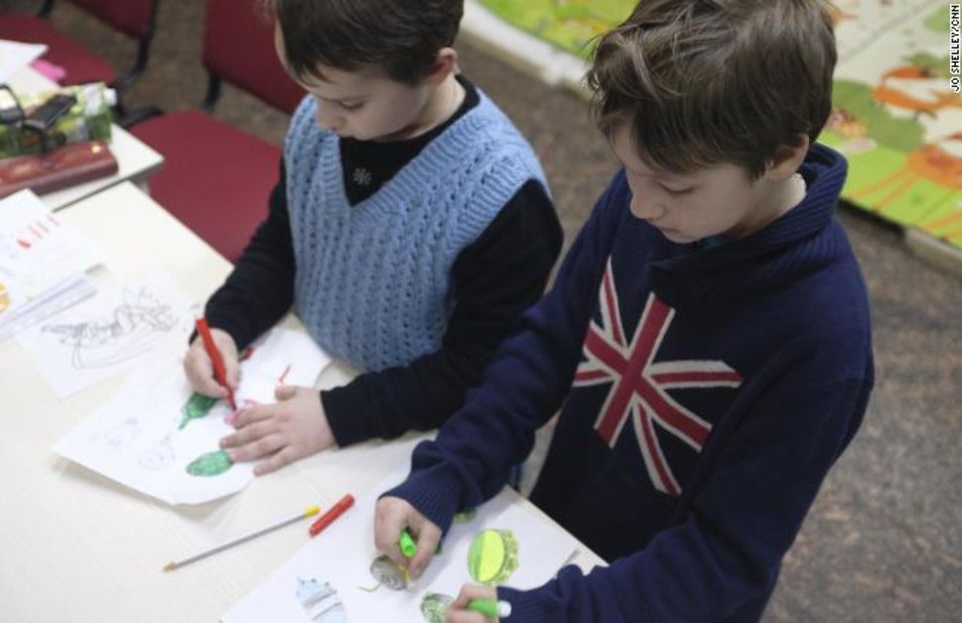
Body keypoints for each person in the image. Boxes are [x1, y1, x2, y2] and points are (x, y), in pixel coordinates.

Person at [374, 1, 874, 620]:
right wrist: (451, 470)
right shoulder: (657, 183)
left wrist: (559, 613)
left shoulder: (824, 340)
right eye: (628, 171)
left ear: (783, 155)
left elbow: (723, 557)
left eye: (674, 186)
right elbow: (550, 342)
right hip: (560, 541)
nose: (640, 207)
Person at [184, 0, 562, 476]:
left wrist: (336, 416)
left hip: (422, 444)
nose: (321, 119)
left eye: (348, 103)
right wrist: (225, 325)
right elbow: (286, 241)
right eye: (307, 90)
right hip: (317, 375)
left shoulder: (507, 200)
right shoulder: (323, 118)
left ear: (435, 68)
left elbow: (477, 370)